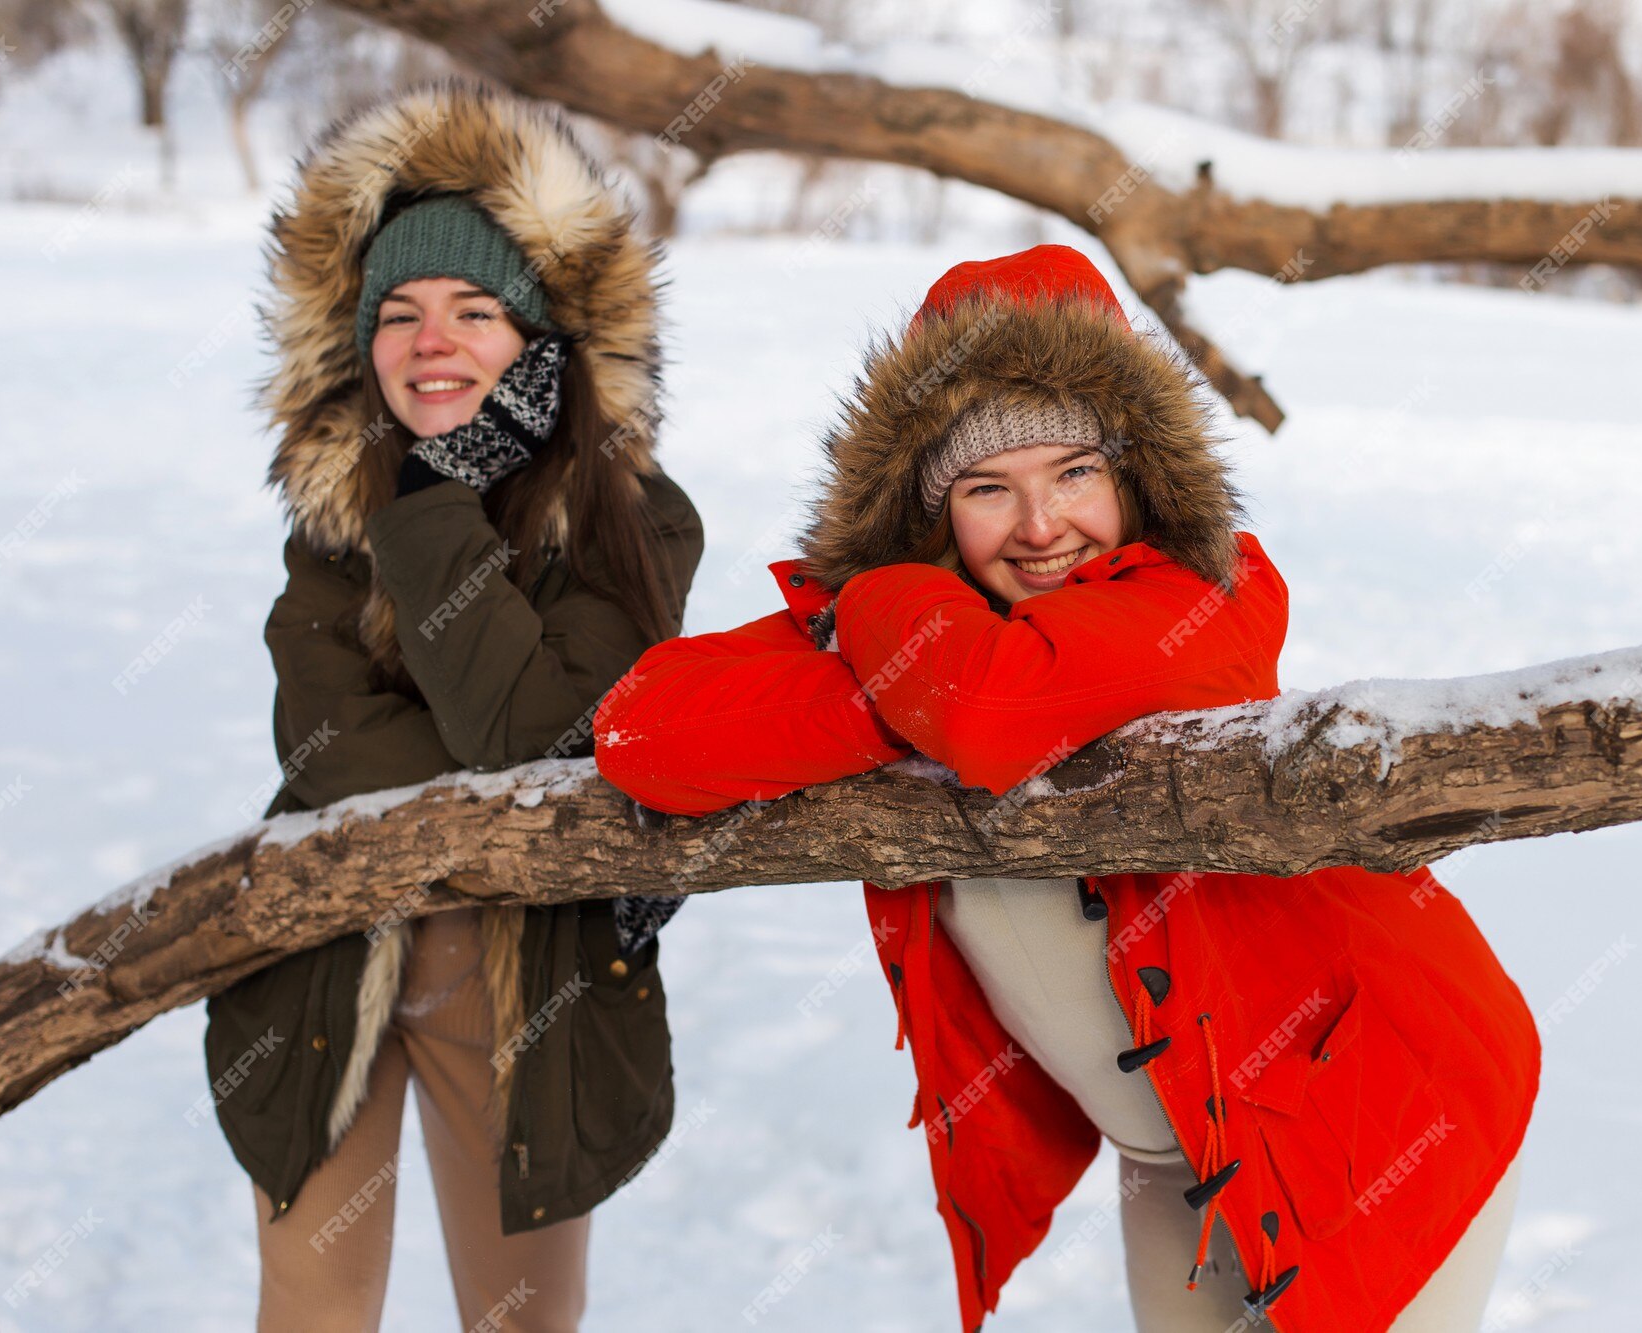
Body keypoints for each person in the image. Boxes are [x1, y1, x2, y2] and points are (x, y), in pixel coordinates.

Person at [594, 244, 1540, 1331]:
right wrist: (902, 676)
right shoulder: (910, 626)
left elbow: (983, 713)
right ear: (925, 514)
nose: (1039, 528)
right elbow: (640, 727)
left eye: (1073, 474)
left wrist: (891, 675)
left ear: (1133, 475)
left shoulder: (1207, 592)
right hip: (1177, 1143)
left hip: (1371, 1106)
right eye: (987, 488)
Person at [203, 78, 704, 1332]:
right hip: (323, 966)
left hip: (525, 980)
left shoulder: (632, 522)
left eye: (476, 311)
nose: (431, 342)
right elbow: (322, 748)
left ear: (543, 342)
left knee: (522, 1318)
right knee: (309, 1312)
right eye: (401, 313)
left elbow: (535, 757)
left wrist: (433, 503)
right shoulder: (330, 520)